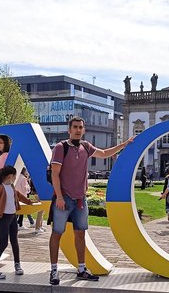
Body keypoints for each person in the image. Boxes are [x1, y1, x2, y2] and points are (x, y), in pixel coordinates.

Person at [48, 116, 134, 285]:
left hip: (81, 199)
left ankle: (81, 269)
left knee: (80, 235)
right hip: (63, 199)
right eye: (75, 127)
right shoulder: (60, 147)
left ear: (84, 130)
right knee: (57, 234)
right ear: (69, 130)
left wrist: (123, 145)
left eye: (81, 127)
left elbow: (103, 153)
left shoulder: (86, 146)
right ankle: (54, 270)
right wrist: (58, 196)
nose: (78, 130)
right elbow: (54, 174)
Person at [0, 166, 33, 279]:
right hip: (4, 218)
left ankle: (17, 265)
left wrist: (28, 201)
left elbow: (18, 196)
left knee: (14, 241)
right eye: (15, 175)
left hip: (12, 217)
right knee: (3, 243)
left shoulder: (11, 187)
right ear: (10, 176)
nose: (16, 177)